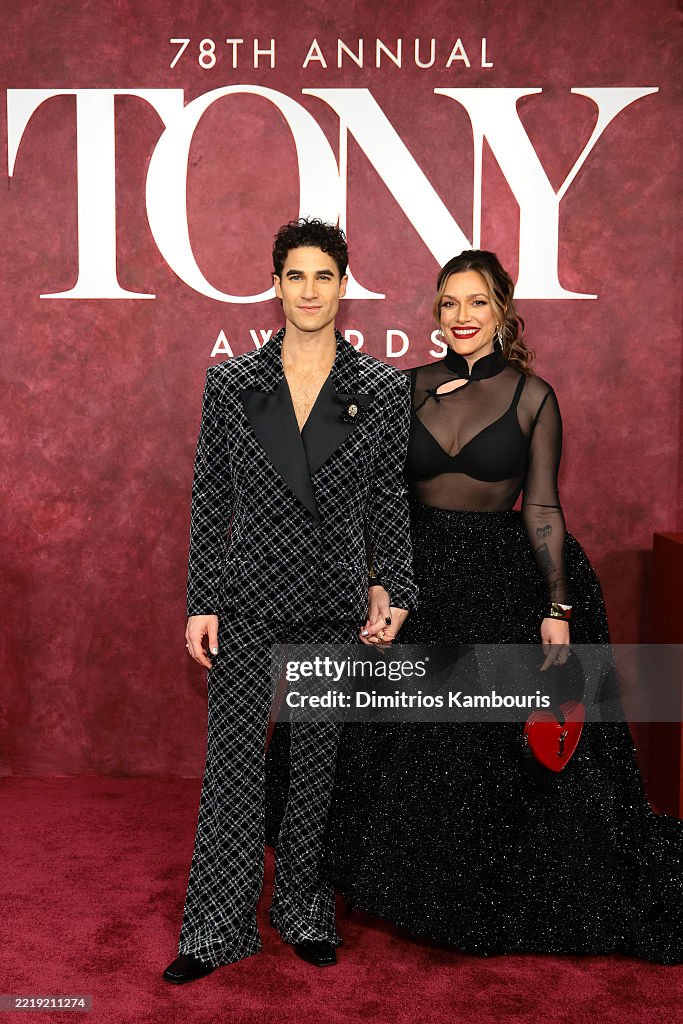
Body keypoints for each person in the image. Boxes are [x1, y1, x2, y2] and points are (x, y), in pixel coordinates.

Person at [266, 249, 683, 964]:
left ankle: (473, 897)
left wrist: (557, 606)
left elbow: (542, 507)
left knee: (483, 747)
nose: (461, 317)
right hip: (413, 575)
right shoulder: (404, 389)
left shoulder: (532, 397)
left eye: (476, 303)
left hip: (501, 577)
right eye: (449, 303)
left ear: (501, 311)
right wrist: (378, 579)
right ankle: (340, 885)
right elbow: (376, 499)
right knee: (379, 731)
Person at [162, 218, 417, 984]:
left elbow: (385, 495)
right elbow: (212, 495)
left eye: (323, 276)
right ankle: (215, 926)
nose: (309, 291)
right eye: (295, 276)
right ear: (275, 286)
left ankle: (304, 908)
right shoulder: (233, 381)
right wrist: (201, 597)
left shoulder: (377, 386)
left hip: (332, 594)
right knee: (234, 766)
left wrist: (391, 583)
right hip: (247, 593)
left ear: (345, 285)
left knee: (314, 762)